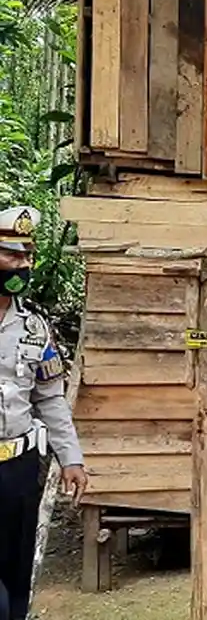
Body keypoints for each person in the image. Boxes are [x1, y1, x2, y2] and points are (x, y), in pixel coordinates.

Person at [0, 206, 88, 620]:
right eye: (13, 254)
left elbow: (50, 399)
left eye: (27, 256)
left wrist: (70, 458)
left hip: (17, 469)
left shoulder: (35, 327)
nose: (23, 265)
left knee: (17, 577)